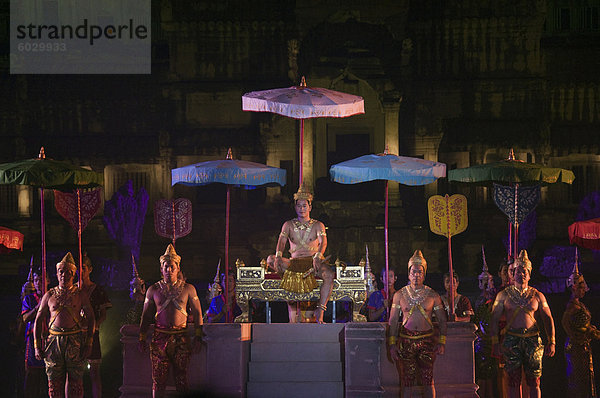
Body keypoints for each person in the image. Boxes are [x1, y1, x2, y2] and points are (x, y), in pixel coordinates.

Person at [138, 244, 203, 398]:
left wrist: (198, 337)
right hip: (159, 338)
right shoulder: (153, 290)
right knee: (158, 380)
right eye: (166, 267)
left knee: (181, 379)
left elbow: (198, 313)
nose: (169, 270)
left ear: (178, 268)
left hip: (181, 337)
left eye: (172, 267)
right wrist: (141, 337)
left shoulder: (189, 289)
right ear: (161, 269)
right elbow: (146, 316)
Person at [490, 250, 555, 398]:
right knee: (513, 381)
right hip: (512, 339)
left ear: (529, 274)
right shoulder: (504, 295)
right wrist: (495, 342)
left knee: (535, 381)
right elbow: (494, 319)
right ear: (512, 274)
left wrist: (552, 341)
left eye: (525, 271)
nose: (522, 274)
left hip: (533, 340)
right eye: (518, 271)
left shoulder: (538, 295)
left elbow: (548, 318)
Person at [266, 187, 333, 324]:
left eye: (304, 206)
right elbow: (281, 241)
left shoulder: (318, 225)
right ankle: (291, 290)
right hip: (294, 262)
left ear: (310, 207)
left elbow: (323, 242)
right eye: (299, 206)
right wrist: (278, 256)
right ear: (295, 207)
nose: (302, 209)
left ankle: (320, 309)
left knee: (329, 274)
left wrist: (318, 256)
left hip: (313, 262)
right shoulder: (288, 225)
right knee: (270, 259)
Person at [33, 252, 95, 398]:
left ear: (73, 274)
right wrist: (37, 346)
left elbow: (91, 317)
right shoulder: (49, 295)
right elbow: (38, 320)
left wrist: (89, 343)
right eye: (61, 271)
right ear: (56, 273)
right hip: (53, 342)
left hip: (74, 341)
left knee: (76, 384)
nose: (64, 275)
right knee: (54, 385)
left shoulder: (80, 294)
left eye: (68, 272)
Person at [388, 250, 448, 398]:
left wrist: (442, 342)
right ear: (409, 274)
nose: (416, 275)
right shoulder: (399, 295)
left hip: (427, 341)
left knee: (428, 380)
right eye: (414, 272)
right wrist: (391, 344)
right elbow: (393, 320)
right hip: (405, 341)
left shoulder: (433, 295)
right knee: (406, 381)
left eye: (420, 272)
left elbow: (442, 320)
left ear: (424, 274)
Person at [562, 262, 600, 398]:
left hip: (583, 345)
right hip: (576, 347)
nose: (584, 290)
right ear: (574, 288)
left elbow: (583, 323)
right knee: (577, 378)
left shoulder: (580, 305)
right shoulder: (572, 306)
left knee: (585, 378)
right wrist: (575, 336)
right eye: (581, 288)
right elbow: (565, 322)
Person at [78, 254, 112, 398]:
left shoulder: (98, 290)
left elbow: (103, 315)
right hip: (75, 335)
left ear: (90, 269)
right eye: (78, 268)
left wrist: (93, 327)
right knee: (74, 373)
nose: (80, 271)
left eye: (83, 268)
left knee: (94, 372)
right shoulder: (73, 290)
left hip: (92, 334)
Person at [21, 269, 48, 397]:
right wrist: (38, 307)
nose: (38, 283)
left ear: (47, 281)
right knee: (32, 374)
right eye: (36, 280)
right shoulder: (30, 299)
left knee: (49, 375)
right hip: (33, 340)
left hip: (49, 339)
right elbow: (25, 318)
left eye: (41, 280)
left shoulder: (52, 296)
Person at [474, 262, 498, 398]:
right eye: (483, 281)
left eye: (489, 281)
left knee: (492, 378)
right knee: (483, 378)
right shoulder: (479, 301)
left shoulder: (496, 300)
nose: (486, 284)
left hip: (493, 340)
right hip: (482, 343)